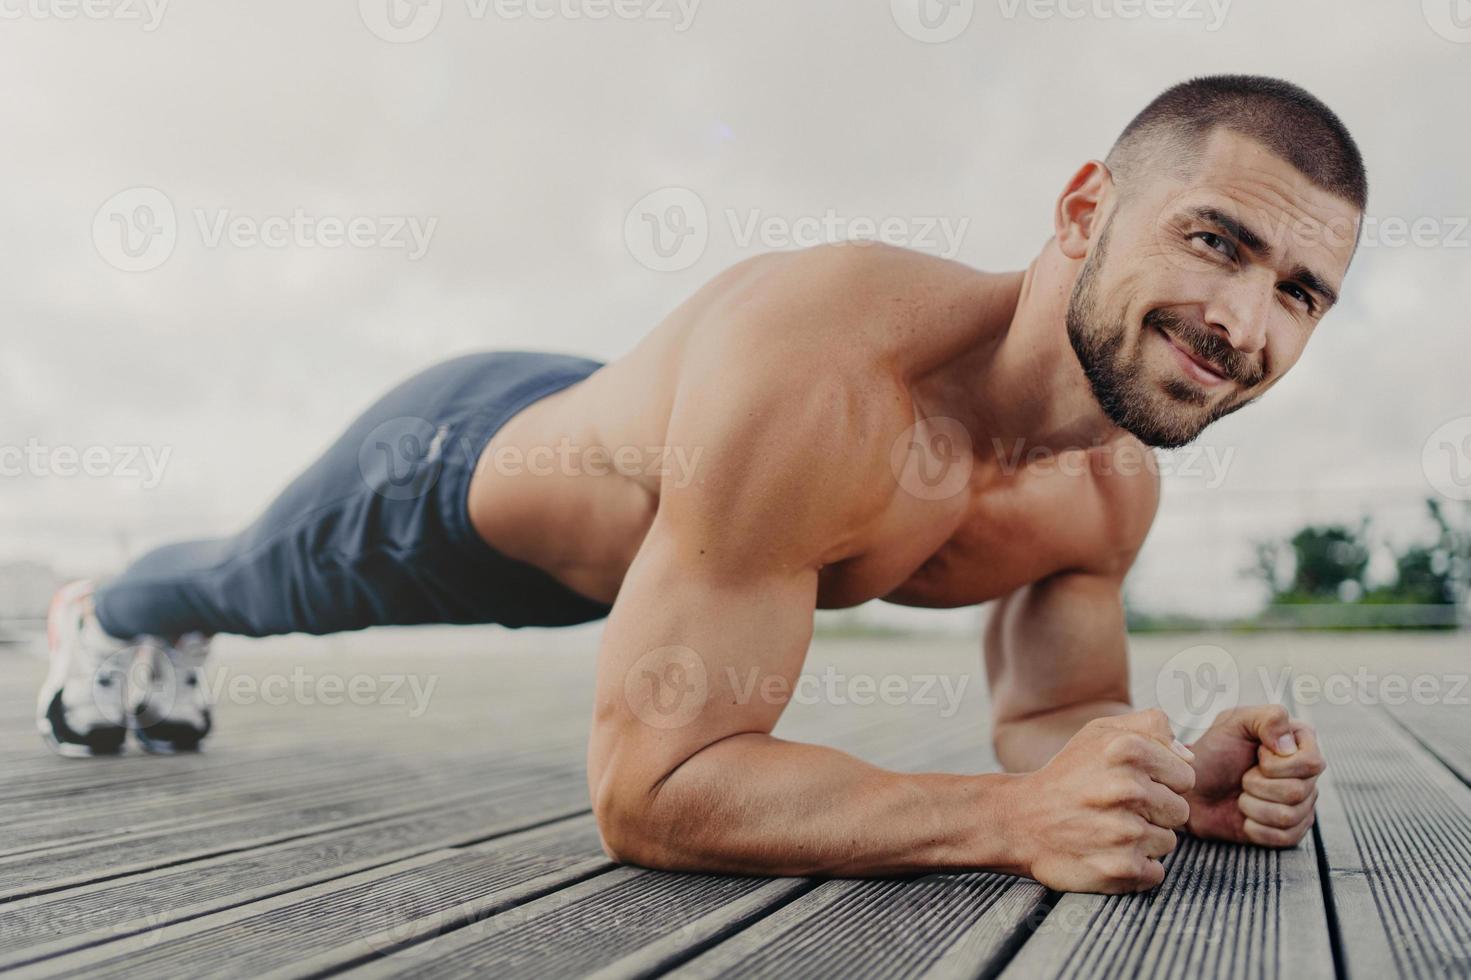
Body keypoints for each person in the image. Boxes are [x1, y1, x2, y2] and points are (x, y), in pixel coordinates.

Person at [41, 74, 1348, 894]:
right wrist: (1011, 818)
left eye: (1300, 291)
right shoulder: (830, 381)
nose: (1245, 323)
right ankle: (106, 613)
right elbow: (653, 792)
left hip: (668, 479)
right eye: (1215, 240)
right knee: (244, 581)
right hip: (447, 475)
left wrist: (1164, 777)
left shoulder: (1109, 488)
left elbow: (1057, 708)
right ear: (1082, 211)